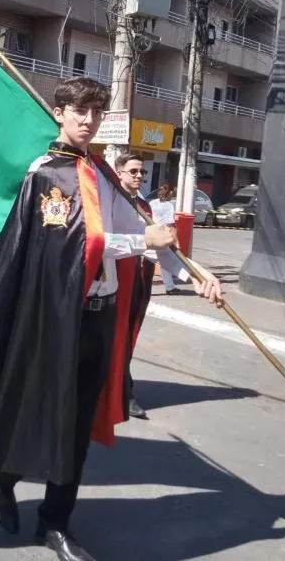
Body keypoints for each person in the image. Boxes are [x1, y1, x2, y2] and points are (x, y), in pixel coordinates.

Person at [0, 78, 223, 561]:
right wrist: (146, 243)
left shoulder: (101, 173)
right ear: (60, 113)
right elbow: (74, 248)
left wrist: (194, 275)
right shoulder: (46, 174)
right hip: (57, 316)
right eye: (79, 110)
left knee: (76, 426)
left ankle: (55, 522)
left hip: (100, 319)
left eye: (95, 113)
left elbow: (139, 230)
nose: (87, 120)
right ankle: (4, 475)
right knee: (43, 410)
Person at [116, 158, 190, 421]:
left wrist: (194, 275)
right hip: (113, 279)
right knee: (115, 337)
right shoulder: (113, 201)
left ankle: (121, 387)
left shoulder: (145, 206)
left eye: (142, 172)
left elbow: (159, 247)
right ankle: (123, 390)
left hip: (140, 278)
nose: (139, 175)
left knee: (130, 333)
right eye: (133, 171)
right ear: (119, 172)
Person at [148, 182, 181, 294]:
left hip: (151, 233)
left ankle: (168, 287)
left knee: (149, 259)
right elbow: (171, 224)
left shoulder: (152, 203)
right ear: (170, 192)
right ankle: (170, 288)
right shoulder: (169, 205)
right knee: (166, 262)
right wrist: (176, 241)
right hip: (163, 236)